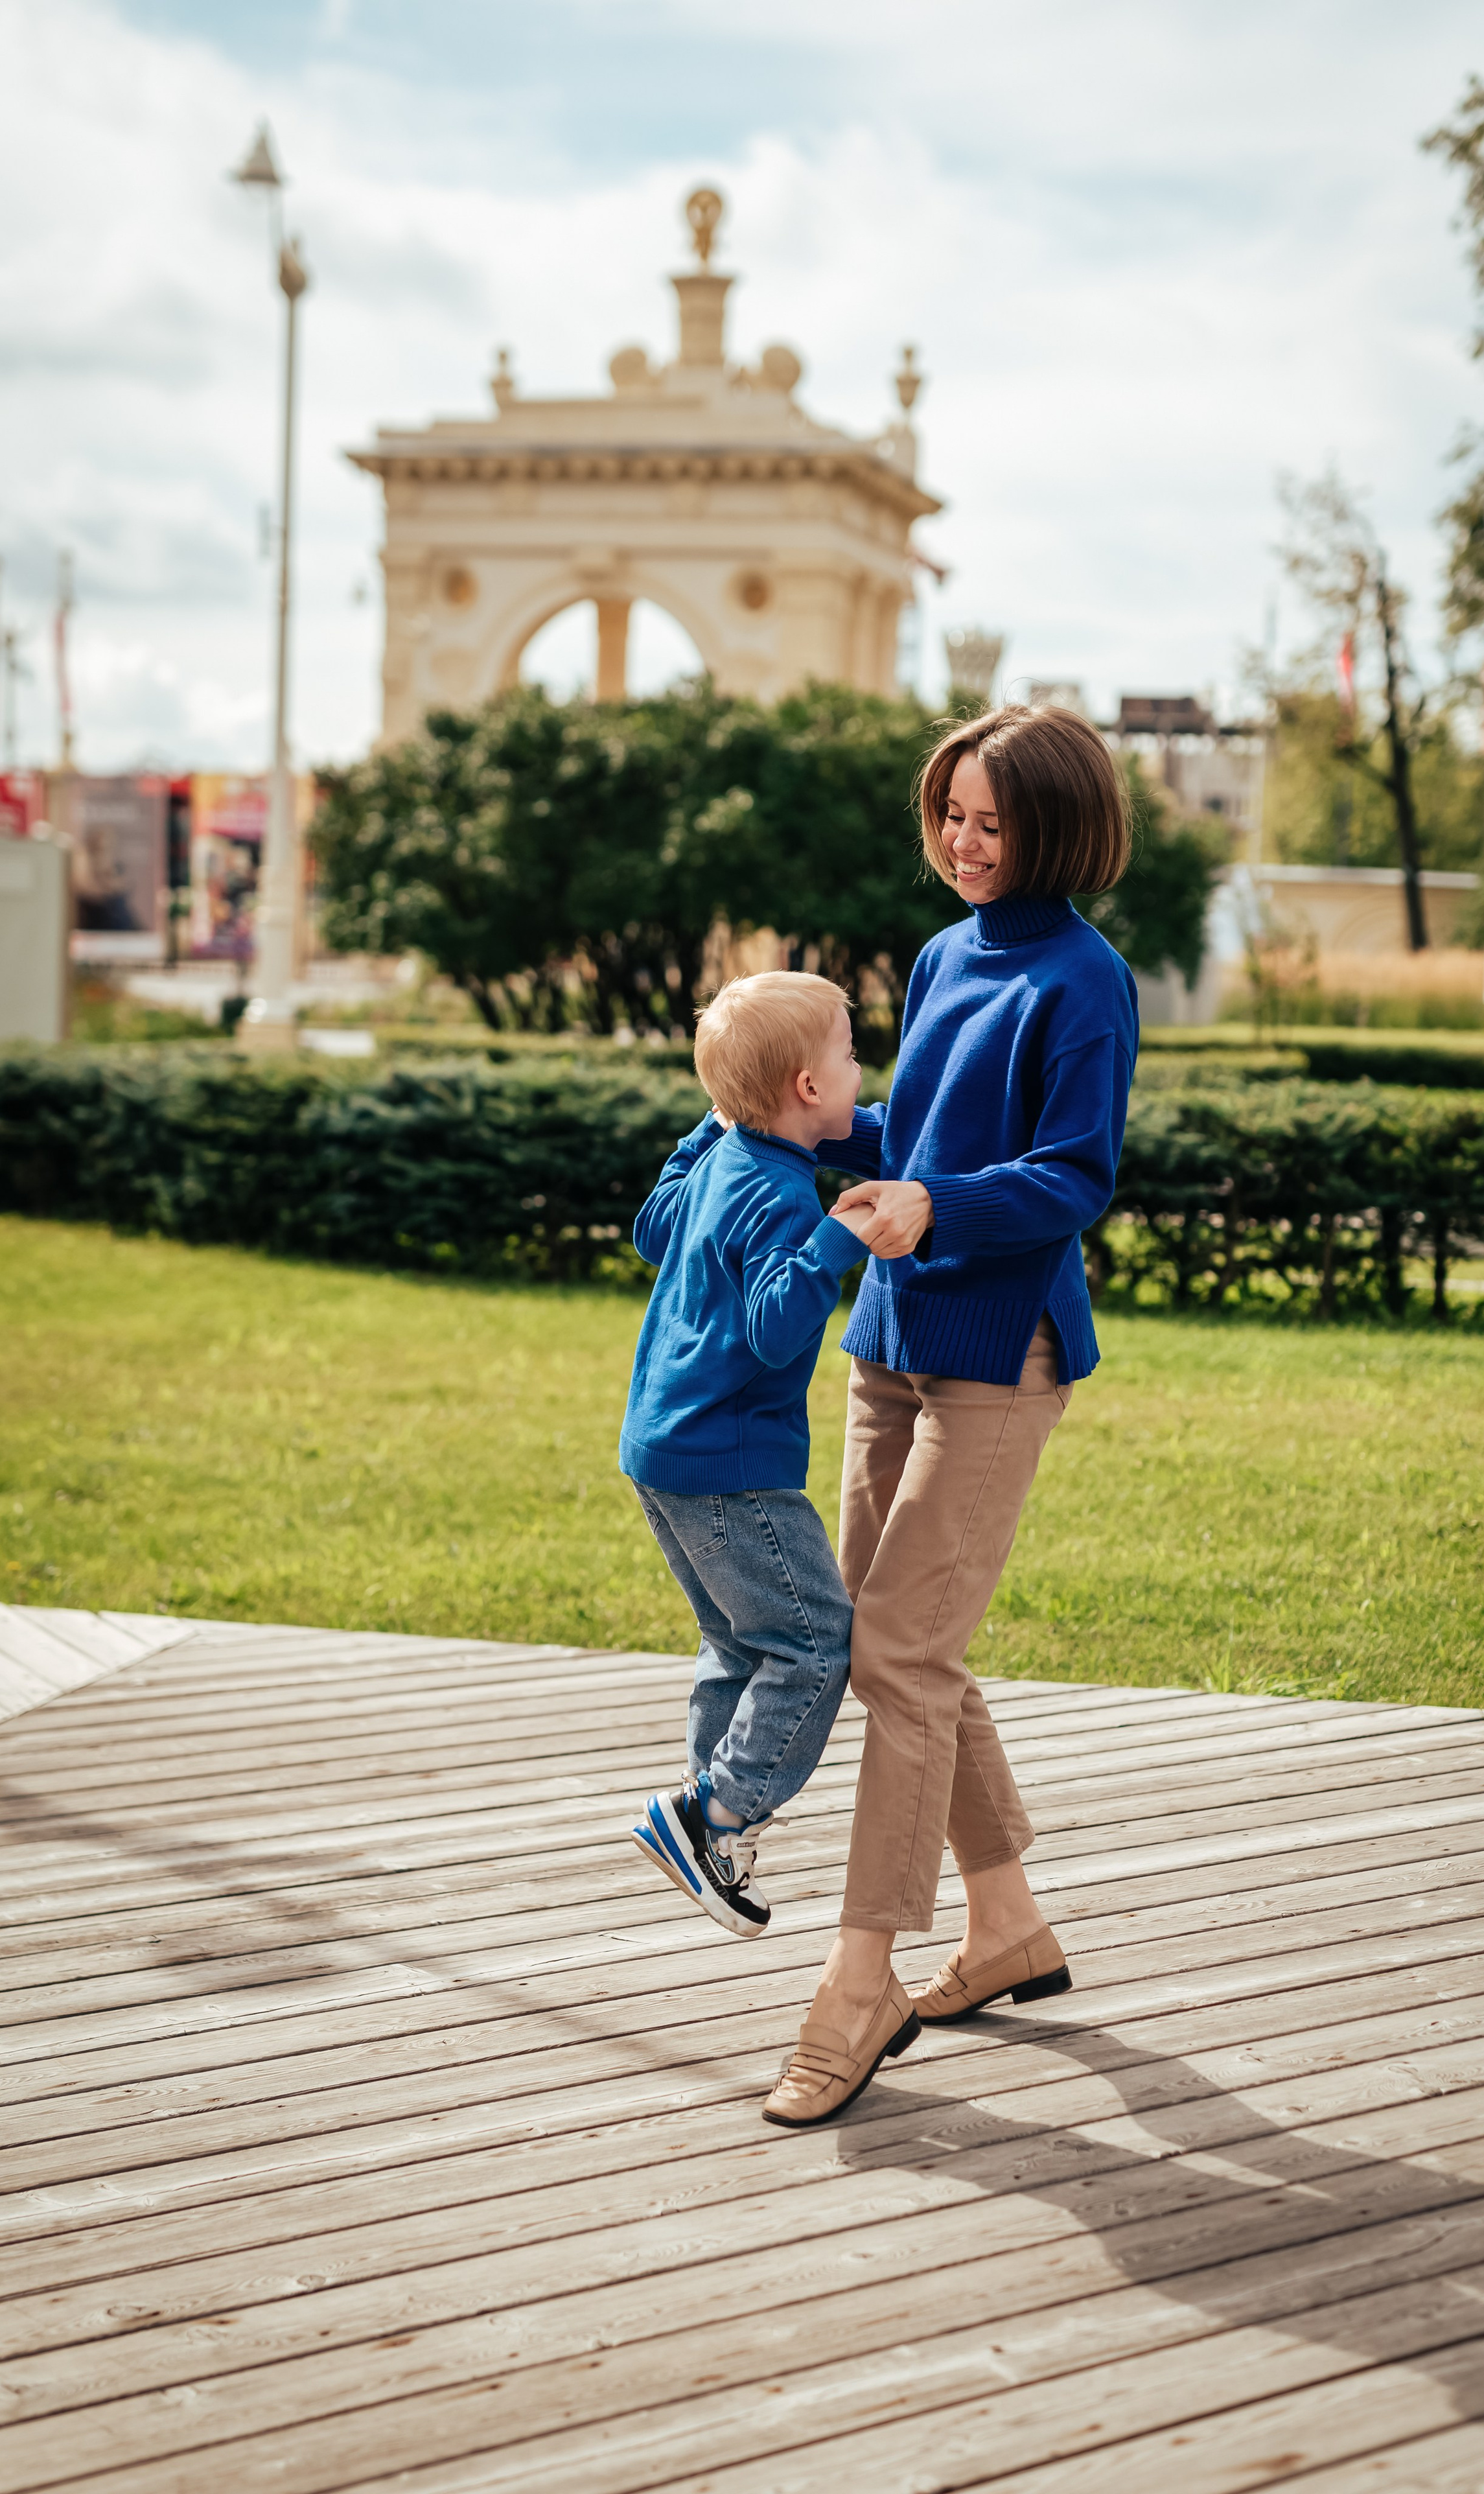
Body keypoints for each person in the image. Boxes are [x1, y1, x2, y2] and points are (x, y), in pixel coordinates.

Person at [761, 704, 1139, 2128]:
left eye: (992, 823)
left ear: (1054, 829)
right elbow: (920, 1133)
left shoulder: (1083, 979)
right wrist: (809, 1129)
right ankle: (1002, 1930)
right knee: (900, 1643)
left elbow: (1071, 1175)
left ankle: (859, 1982)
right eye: (951, 818)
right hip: (891, 1331)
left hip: (999, 1350)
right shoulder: (936, 956)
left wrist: (938, 1207)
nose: (965, 846)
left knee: (898, 1649)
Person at [622, 971, 888, 1948]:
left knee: (738, 1642)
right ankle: (718, 1813)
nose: (863, 1071)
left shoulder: (725, 1160)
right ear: (809, 1091)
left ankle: (704, 1818)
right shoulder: (782, 1197)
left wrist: (710, 1124)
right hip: (733, 1464)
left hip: (663, 1451)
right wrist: (835, 1238)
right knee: (815, 1640)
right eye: (853, 1054)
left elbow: (654, 1226)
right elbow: (777, 1332)